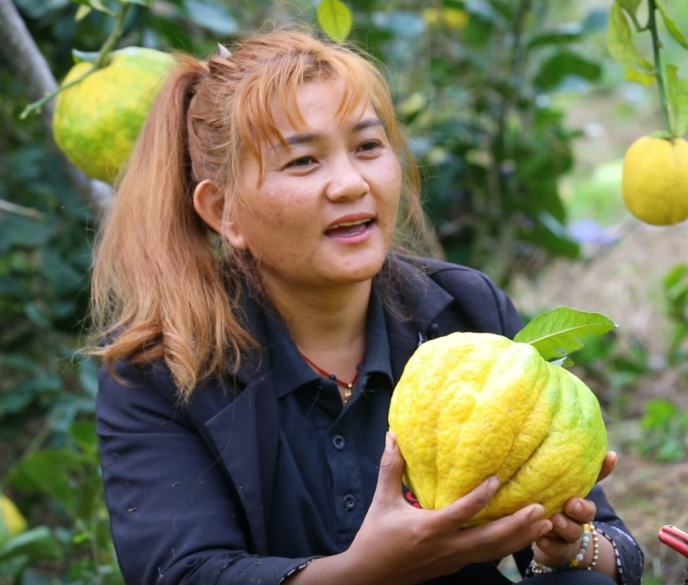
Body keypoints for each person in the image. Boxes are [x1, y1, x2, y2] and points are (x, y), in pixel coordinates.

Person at [86, 29, 644, 585]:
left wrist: (565, 545)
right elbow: (185, 575)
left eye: (368, 147)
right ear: (223, 210)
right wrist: (367, 570)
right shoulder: (160, 368)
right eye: (304, 161)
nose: (351, 183)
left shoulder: (466, 315)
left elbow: (616, 547)